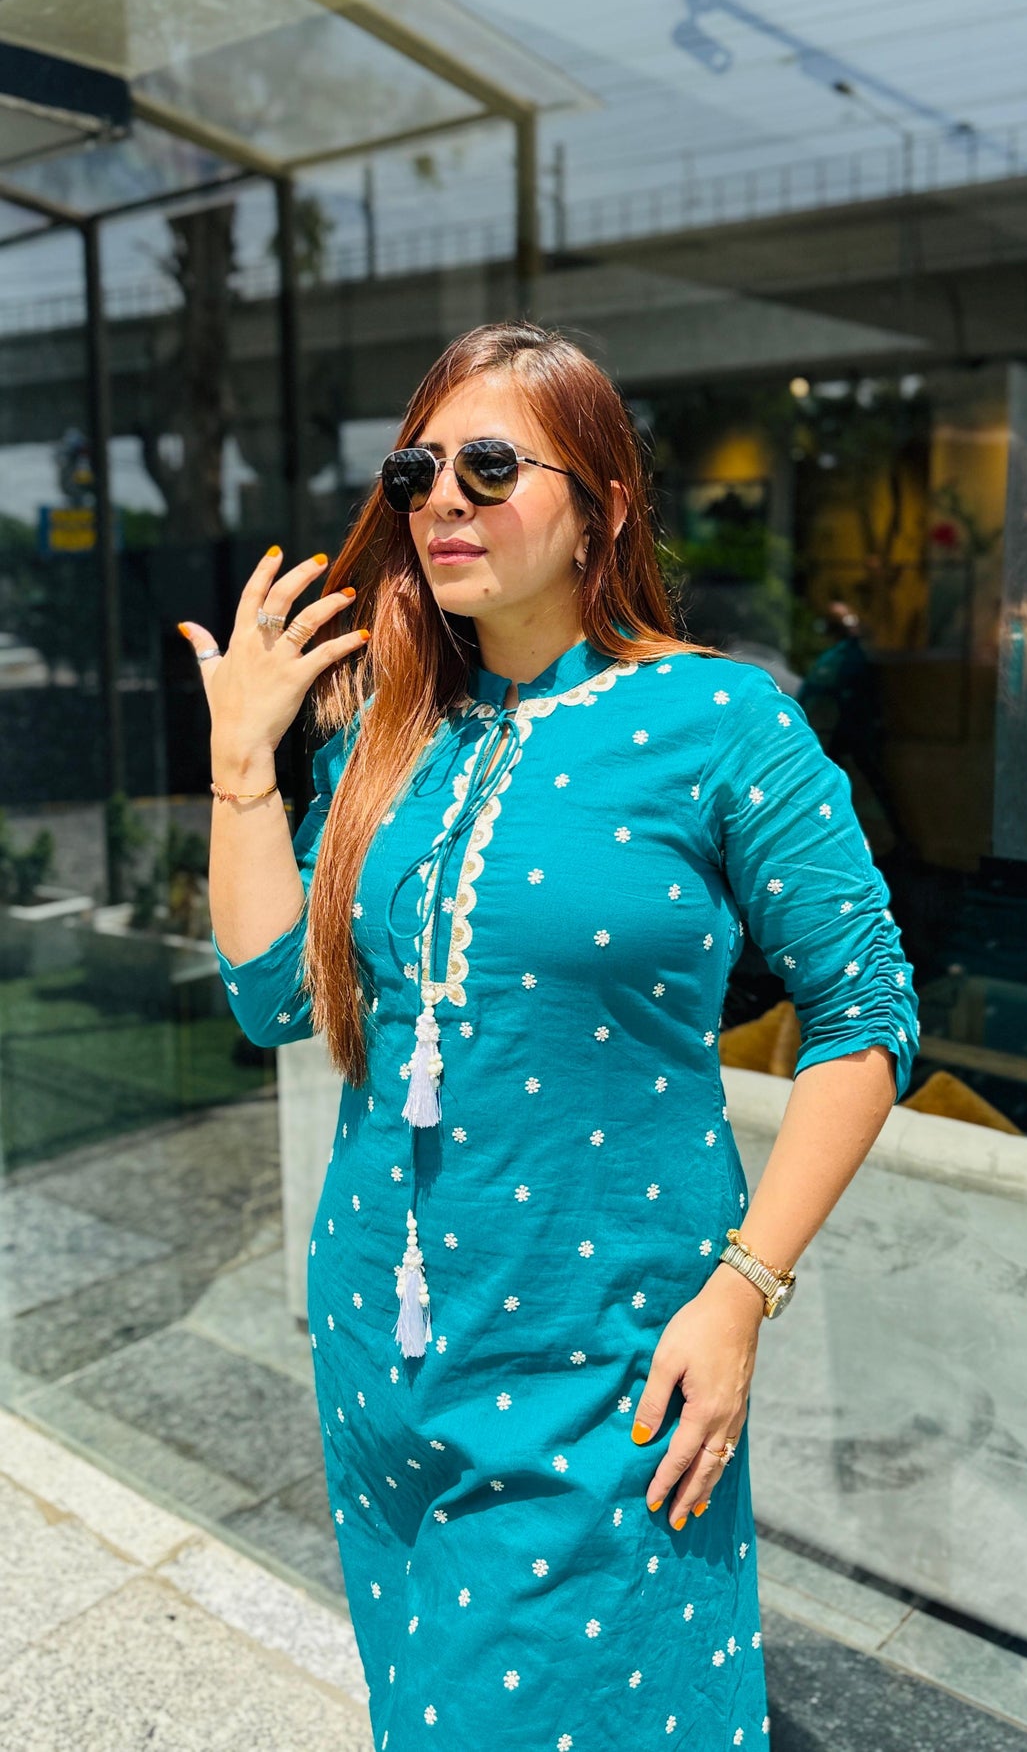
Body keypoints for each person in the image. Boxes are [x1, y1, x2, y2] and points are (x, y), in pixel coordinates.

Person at [179, 321, 918, 1752]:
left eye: (491, 465)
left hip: (615, 1361)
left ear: (604, 502)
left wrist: (742, 1293)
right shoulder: (388, 737)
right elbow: (271, 994)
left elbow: (866, 1013)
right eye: (416, 470)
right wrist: (239, 765)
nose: (441, 498)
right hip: (382, 1361)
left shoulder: (718, 720)